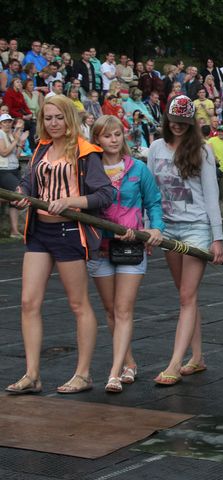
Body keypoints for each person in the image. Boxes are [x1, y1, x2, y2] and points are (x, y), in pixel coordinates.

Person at [5, 95, 114, 394]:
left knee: (78, 304)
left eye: (58, 117)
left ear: (69, 119)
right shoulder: (41, 147)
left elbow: (105, 194)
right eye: (48, 118)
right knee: (28, 303)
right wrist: (22, 192)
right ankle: (32, 375)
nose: (53, 123)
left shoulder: (85, 151)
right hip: (39, 231)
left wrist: (70, 201)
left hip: (69, 231)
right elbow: (30, 182)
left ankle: (83, 374)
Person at [146, 95, 223, 384]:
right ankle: (198, 357)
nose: (177, 126)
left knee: (186, 296)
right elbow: (150, 192)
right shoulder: (156, 148)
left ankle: (174, 363)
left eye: (182, 121)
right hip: (167, 226)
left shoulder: (202, 151)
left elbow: (212, 195)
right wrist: (149, 228)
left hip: (196, 227)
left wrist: (217, 237)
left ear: (191, 122)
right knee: (185, 295)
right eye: (173, 121)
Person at [88, 115, 164, 393]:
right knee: (111, 310)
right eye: (107, 135)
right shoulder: (89, 170)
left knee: (123, 309)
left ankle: (114, 372)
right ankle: (129, 362)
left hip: (132, 247)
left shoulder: (138, 169)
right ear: (97, 139)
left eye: (117, 134)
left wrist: (156, 228)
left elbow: (154, 202)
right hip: (100, 247)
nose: (113, 140)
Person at [0, 113, 28, 237]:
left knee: (14, 200)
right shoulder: (0, 133)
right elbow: (4, 152)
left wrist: (21, 142)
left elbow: (16, 155)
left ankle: (14, 231)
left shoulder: (11, 135)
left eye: (9, 121)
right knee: (18, 195)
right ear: (0, 124)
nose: (7, 124)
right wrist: (16, 140)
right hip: (4, 170)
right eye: (5, 122)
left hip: (13, 169)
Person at [207, 125, 223, 202]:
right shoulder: (211, 140)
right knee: (212, 192)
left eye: (222, 131)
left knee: (222, 193)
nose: (220, 133)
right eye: (219, 131)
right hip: (213, 169)